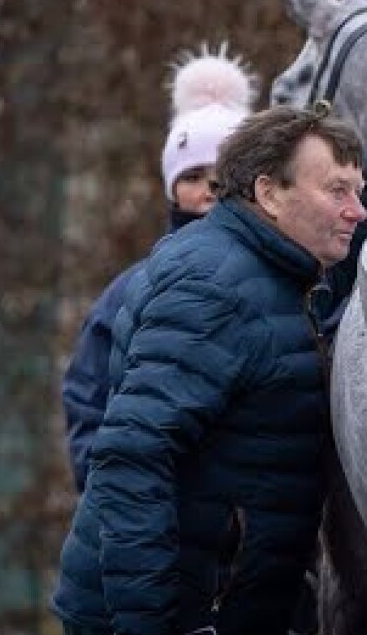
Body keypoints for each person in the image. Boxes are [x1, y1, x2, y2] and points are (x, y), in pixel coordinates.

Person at [51, 98, 367, 635]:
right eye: (337, 192)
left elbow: (283, 314)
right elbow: (134, 461)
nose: (359, 211)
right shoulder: (209, 289)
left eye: (359, 193)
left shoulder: (261, 273)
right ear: (269, 193)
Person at [62, 46, 256, 492]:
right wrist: (113, 495)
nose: (208, 189)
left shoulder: (296, 279)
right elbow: (86, 398)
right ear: (171, 191)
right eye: (190, 177)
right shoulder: (130, 292)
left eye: (221, 174)